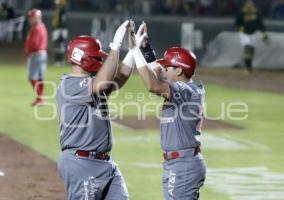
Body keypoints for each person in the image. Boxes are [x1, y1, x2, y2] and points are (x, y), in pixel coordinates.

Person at [56, 20, 146, 200]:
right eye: (97, 57)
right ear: (82, 57)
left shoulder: (93, 83)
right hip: (80, 162)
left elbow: (118, 78)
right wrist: (115, 46)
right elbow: (103, 82)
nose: (100, 60)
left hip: (105, 164)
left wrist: (133, 50)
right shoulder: (69, 84)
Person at [129, 22, 206, 199]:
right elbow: (156, 70)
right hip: (181, 163)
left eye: (167, 67)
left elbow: (152, 84)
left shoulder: (186, 91)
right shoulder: (184, 87)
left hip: (183, 165)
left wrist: (134, 51)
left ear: (179, 70)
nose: (163, 70)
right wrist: (145, 50)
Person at [235, 0, 270, 73]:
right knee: (247, 48)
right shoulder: (242, 11)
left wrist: (264, 33)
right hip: (244, 33)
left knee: (251, 49)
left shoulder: (256, 12)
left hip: (253, 33)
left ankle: (249, 67)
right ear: (245, 4)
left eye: (251, 3)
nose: (250, 4)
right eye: (248, 3)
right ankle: (247, 67)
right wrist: (240, 28)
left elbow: (260, 23)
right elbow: (237, 22)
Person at [24, 9, 48, 106]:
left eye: (32, 17)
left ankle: (40, 98)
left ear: (36, 17)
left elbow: (34, 43)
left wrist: (28, 51)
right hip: (42, 54)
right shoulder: (41, 26)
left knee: (32, 77)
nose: (30, 19)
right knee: (40, 77)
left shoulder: (36, 28)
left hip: (36, 54)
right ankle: (40, 98)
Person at [52, 0, 68, 66]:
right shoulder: (58, 10)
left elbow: (63, 21)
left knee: (60, 46)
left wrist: (61, 30)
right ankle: (58, 61)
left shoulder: (62, 11)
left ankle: (60, 61)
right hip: (57, 29)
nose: (57, 4)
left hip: (60, 29)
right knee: (57, 46)